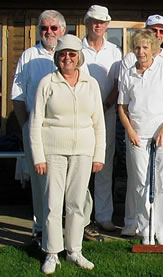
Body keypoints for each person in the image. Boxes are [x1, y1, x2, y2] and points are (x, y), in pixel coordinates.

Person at [29, 34, 106, 274]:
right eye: (63, 54)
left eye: (72, 54)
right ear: (57, 58)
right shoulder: (47, 83)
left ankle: (74, 250)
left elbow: (99, 122)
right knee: (52, 203)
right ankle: (52, 252)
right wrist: (38, 157)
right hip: (53, 151)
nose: (68, 58)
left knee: (76, 203)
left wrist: (98, 155)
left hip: (83, 151)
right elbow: (35, 122)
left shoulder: (90, 84)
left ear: (79, 57)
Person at [118, 29, 163, 248]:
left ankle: (161, 229)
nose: (141, 51)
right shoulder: (128, 73)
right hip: (138, 136)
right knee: (140, 184)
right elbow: (122, 108)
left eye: (145, 47)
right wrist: (130, 131)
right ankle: (146, 230)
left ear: (153, 49)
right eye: (137, 47)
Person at [10, 10, 66, 247]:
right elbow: (18, 95)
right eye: (45, 28)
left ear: (62, 30)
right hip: (37, 128)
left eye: (54, 28)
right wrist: (26, 128)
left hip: (65, 129)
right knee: (40, 184)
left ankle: (69, 232)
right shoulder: (28, 56)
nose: (49, 32)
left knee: (68, 184)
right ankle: (41, 231)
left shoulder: (69, 54)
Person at [82, 4, 122, 232]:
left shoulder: (115, 52)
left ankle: (104, 217)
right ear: (87, 22)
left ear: (107, 25)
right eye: (94, 21)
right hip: (81, 118)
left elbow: (118, 86)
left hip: (106, 115)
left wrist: (105, 106)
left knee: (104, 166)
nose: (98, 25)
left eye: (102, 22)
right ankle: (83, 219)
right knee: (81, 169)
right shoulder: (77, 48)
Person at [120, 14, 163, 79]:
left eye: (162, 31)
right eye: (154, 30)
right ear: (145, 31)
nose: (158, 34)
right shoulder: (130, 58)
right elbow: (123, 87)